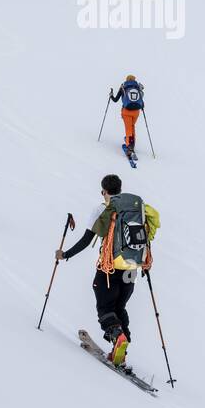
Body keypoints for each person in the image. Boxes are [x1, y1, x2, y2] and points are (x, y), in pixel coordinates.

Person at [55, 173, 158, 368]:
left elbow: (87, 239)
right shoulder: (138, 208)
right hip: (132, 267)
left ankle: (118, 337)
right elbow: (154, 223)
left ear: (104, 191)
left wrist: (65, 254)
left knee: (105, 307)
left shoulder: (104, 209)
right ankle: (121, 350)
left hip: (110, 267)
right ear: (120, 189)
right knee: (119, 307)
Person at [110, 74, 144, 153]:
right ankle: (132, 143)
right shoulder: (138, 87)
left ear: (127, 80)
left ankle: (129, 146)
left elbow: (115, 100)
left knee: (128, 129)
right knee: (132, 127)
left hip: (127, 111)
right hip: (136, 112)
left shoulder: (123, 87)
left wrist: (111, 95)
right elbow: (142, 103)